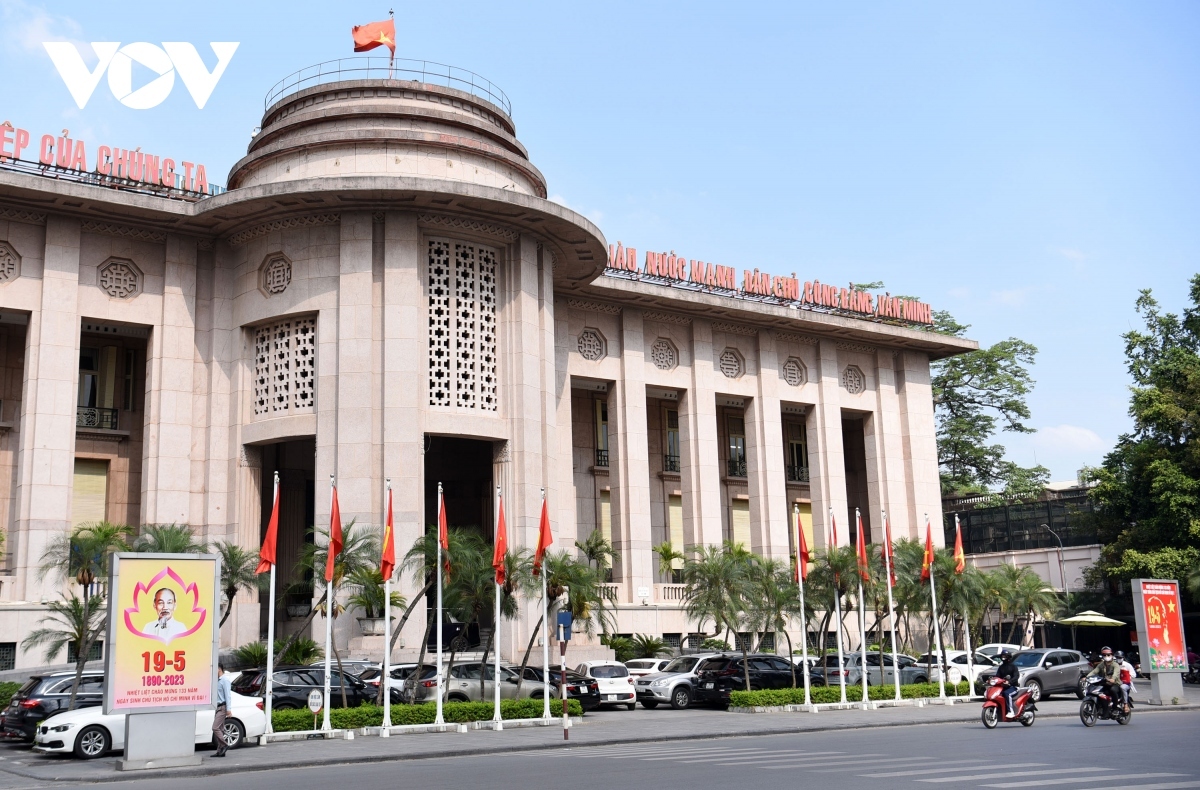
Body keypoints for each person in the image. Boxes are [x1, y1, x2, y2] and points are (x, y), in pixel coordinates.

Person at [1086, 646, 1125, 713]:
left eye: (1108, 655)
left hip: (1115, 684)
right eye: (1104, 655)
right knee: (1098, 692)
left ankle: (1115, 707)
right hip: (1105, 683)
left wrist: (1112, 679)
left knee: (1112, 690)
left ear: (1111, 655)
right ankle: (1102, 708)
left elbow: (1116, 673)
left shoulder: (1115, 665)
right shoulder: (1101, 664)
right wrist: (1087, 677)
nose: (1106, 656)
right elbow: (1095, 671)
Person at [212, 663, 232, 757]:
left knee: (215, 727)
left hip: (223, 707)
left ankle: (224, 744)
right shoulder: (217, 680)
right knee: (220, 729)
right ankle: (220, 751)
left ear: (219, 669)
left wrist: (229, 709)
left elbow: (228, 695)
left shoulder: (225, 680)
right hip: (218, 707)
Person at [994, 651, 1021, 718]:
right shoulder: (1001, 667)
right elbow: (997, 676)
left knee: (1007, 694)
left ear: (1008, 657)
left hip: (1013, 687)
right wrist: (992, 680)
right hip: (1003, 687)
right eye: (1002, 656)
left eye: (1005, 656)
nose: (1003, 658)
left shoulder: (1013, 667)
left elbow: (1016, 676)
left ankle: (1010, 711)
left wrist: (1009, 682)